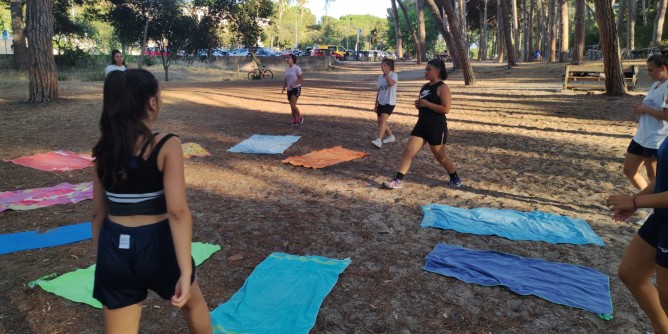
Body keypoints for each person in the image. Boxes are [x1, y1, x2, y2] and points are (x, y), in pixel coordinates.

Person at [91, 69, 212, 334]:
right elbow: (178, 212)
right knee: (195, 306)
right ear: (152, 102)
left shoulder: (104, 151)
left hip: (114, 245)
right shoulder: (167, 145)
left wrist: (105, 260)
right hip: (158, 245)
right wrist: (184, 271)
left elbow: (97, 214)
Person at [382, 59, 462, 190]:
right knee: (408, 151)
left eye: (428, 69)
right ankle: (397, 180)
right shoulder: (424, 87)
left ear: (437, 72)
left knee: (440, 156)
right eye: (425, 69)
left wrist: (427, 104)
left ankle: (455, 178)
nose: (425, 71)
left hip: (436, 127)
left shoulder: (443, 87)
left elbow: (445, 109)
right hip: (422, 125)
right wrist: (419, 105)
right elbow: (424, 104)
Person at [623, 51, 668, 191]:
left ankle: (656, 207)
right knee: (629, 171)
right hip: (641, 136)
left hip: (656, 139)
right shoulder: (655, 85)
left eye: (651, 70)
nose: (648, 73)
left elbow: (666, 116)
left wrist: (645, 110)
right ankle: (647, 200)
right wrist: (641, 109)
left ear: (663, 68)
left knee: (654, 177)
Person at [372, 58, 398, 148]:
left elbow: (391, 84)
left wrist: (387, 74)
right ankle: (391, 136)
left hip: (390, 102)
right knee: (380, 123)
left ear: (389, 67)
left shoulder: (394, 75)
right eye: (381, 65)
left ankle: (379, 140)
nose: (382, 67)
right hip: (381, 102)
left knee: (383, 120)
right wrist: (375, 104)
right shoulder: (380, 77)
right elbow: (378, 91)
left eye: (384, 65)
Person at [282, 54, 304, 125]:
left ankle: (300, 117)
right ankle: (294, 120)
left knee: (293, 104)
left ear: (293, 60)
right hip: (289, 89)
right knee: (291, 106)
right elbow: (286, 80)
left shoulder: (296, 68)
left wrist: (294, 83)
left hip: (296, 88)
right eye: (287, 58)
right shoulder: (287, 69)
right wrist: (284, 87)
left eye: (289, 58)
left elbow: (301, 78)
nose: (287, 59)